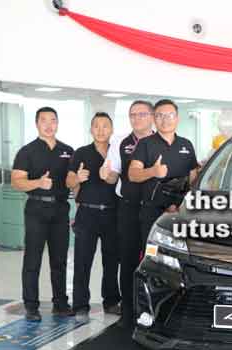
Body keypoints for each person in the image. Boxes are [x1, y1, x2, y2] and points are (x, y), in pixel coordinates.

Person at [11, 107, 74, 321]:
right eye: (44, 120)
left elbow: (72, 181)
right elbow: (16, 182)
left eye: (53, 120)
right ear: (37, 123)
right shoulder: (27, 151)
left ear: (58, 123)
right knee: (32, 259)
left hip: (60, 209)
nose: (49, 124)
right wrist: (38, 182)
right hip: (36, 210)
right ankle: (31, 305)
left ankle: (60, 303)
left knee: (59, 260)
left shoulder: (68, 151)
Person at [104, 100, 154, 328]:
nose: (137, 118)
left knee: (155, 262)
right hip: (129, 208)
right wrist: (106, 174)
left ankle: (153, 310)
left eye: (142, 114)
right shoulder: (120, 143)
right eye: (133, 115)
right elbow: (113, 175)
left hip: (156, 209)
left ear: (151, 116)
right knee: (128, 259)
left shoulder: (162, 141)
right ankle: (128, 310)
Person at [66, 112, 120, 323]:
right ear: (91, 129)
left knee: (111, 261)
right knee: (82, 261)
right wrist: (76, 178)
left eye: (105, 126)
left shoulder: (117, 153)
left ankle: (111, 301)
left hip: (112, 214)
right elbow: (69, 181)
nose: (100, 130)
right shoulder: (81, 153)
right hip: (87, 213)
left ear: (111, 129)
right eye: (96, 126)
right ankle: (80, 304)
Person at [129, 99, 199, 243]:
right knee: (152, 254)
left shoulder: (186, 144)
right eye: (160, 116)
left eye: (170, 115)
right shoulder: (145, 144)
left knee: (179, 256)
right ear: (154, 119)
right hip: (152, 213)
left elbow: (193, 179)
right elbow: (132, 174)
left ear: (177, 118)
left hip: (180, 213)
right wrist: (153, 171)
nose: (165, 120)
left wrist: (183, 205)